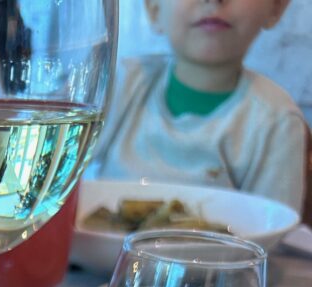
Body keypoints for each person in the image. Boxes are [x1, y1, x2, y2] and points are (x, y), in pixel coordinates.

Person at [90, 0, 307, 213]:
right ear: (154, 8)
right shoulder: (118, 85)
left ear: (276, 7)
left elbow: (275, 227)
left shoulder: (277, 122)